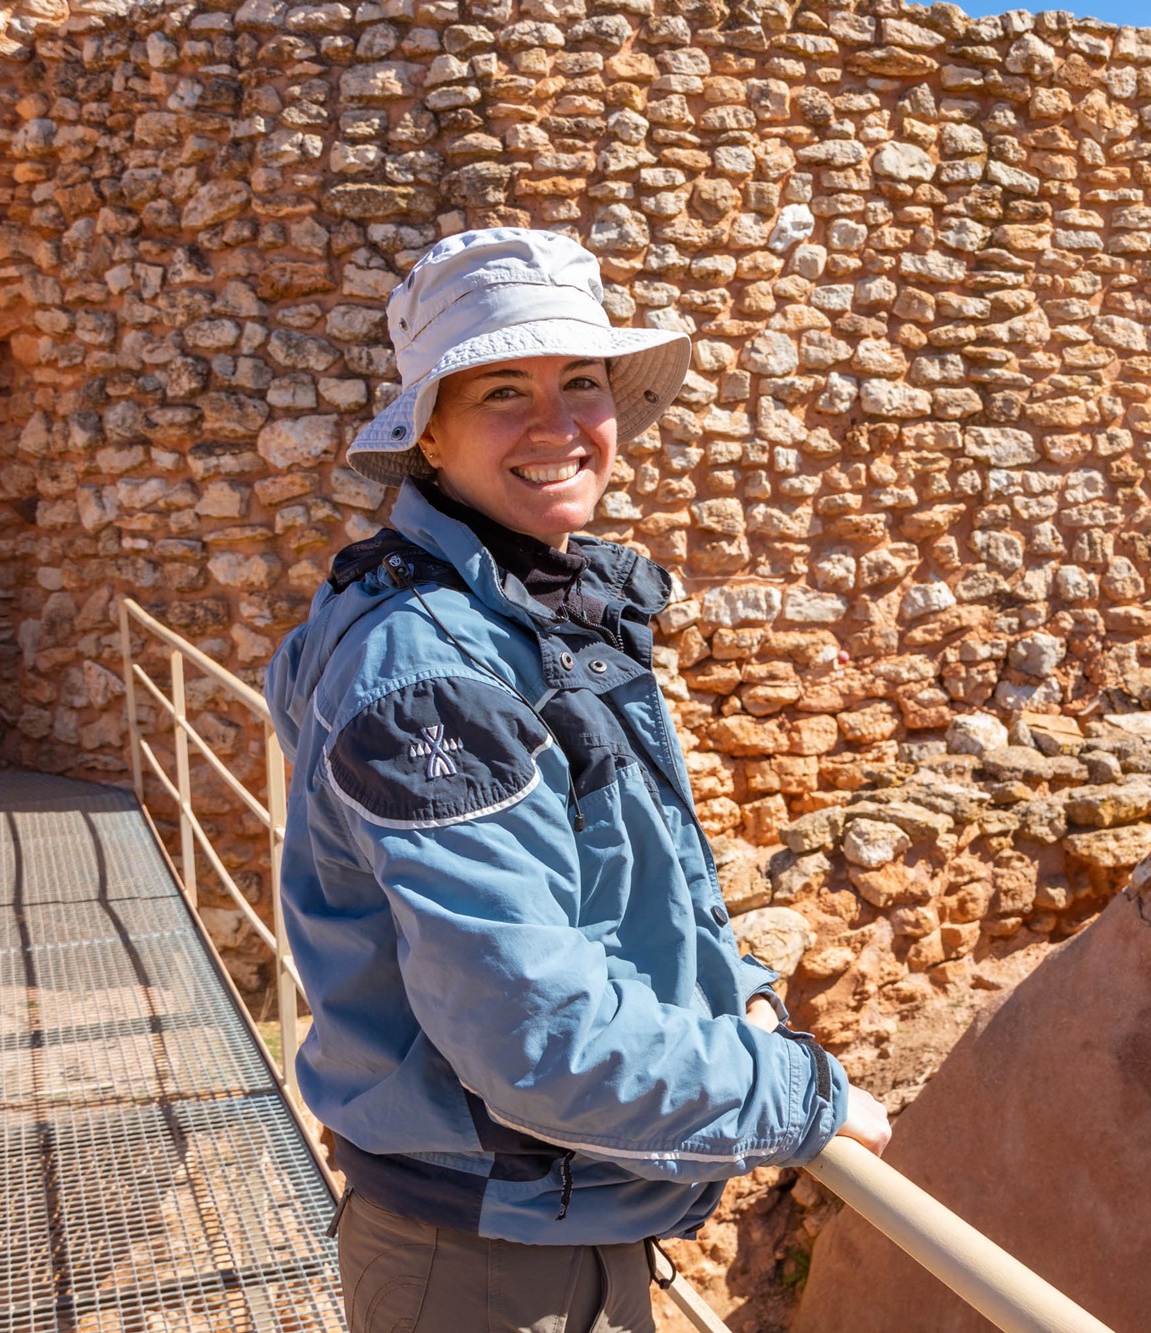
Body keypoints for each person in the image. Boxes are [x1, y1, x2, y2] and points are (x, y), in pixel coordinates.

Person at [264, 227, 890, 1333]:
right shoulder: (433, 665)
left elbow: (591, 884)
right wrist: (801, 1097)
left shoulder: (515, 605)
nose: (558, 426)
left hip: (542, 1221)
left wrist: (722, 987)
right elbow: (531, 1033)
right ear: (431, 432)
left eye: (583, 383)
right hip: (491, 1259)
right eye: (504, 388)